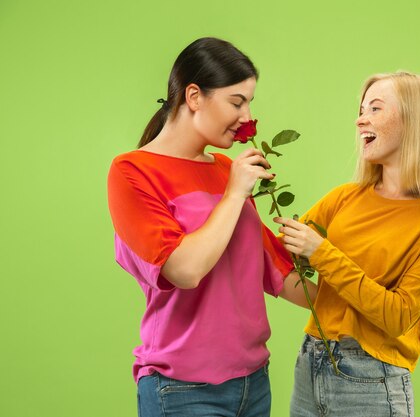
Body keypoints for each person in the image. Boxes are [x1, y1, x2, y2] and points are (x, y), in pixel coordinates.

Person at [107, 37, 310, 417]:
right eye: (237, 102)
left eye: (249, 102)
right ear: (195, 96)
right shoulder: (131, 172)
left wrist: (364, 286)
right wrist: (234, 195)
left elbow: (280, 273)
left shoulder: (225, 170)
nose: (247, 116)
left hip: (254, 383)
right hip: (182, 390)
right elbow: (184, 269)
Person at [274, 71, 420, 417]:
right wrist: (234, 200)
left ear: (416, 121)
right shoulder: (345, 198)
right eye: (362, 109)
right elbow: (278, 263)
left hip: (372, 381)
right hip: (311, 364)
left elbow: (399, 316)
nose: (360, 118)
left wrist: (321, 253)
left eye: (375, 109)